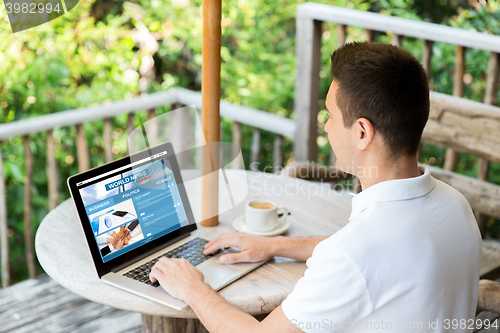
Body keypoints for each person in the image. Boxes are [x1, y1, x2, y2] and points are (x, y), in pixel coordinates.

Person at [149, 42, 482, 332]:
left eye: (331, 116)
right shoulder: (454, 206)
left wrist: (192, 287)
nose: (326, 127)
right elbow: (378, 257)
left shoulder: (356, 251)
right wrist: (274, 246)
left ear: (362, 132)